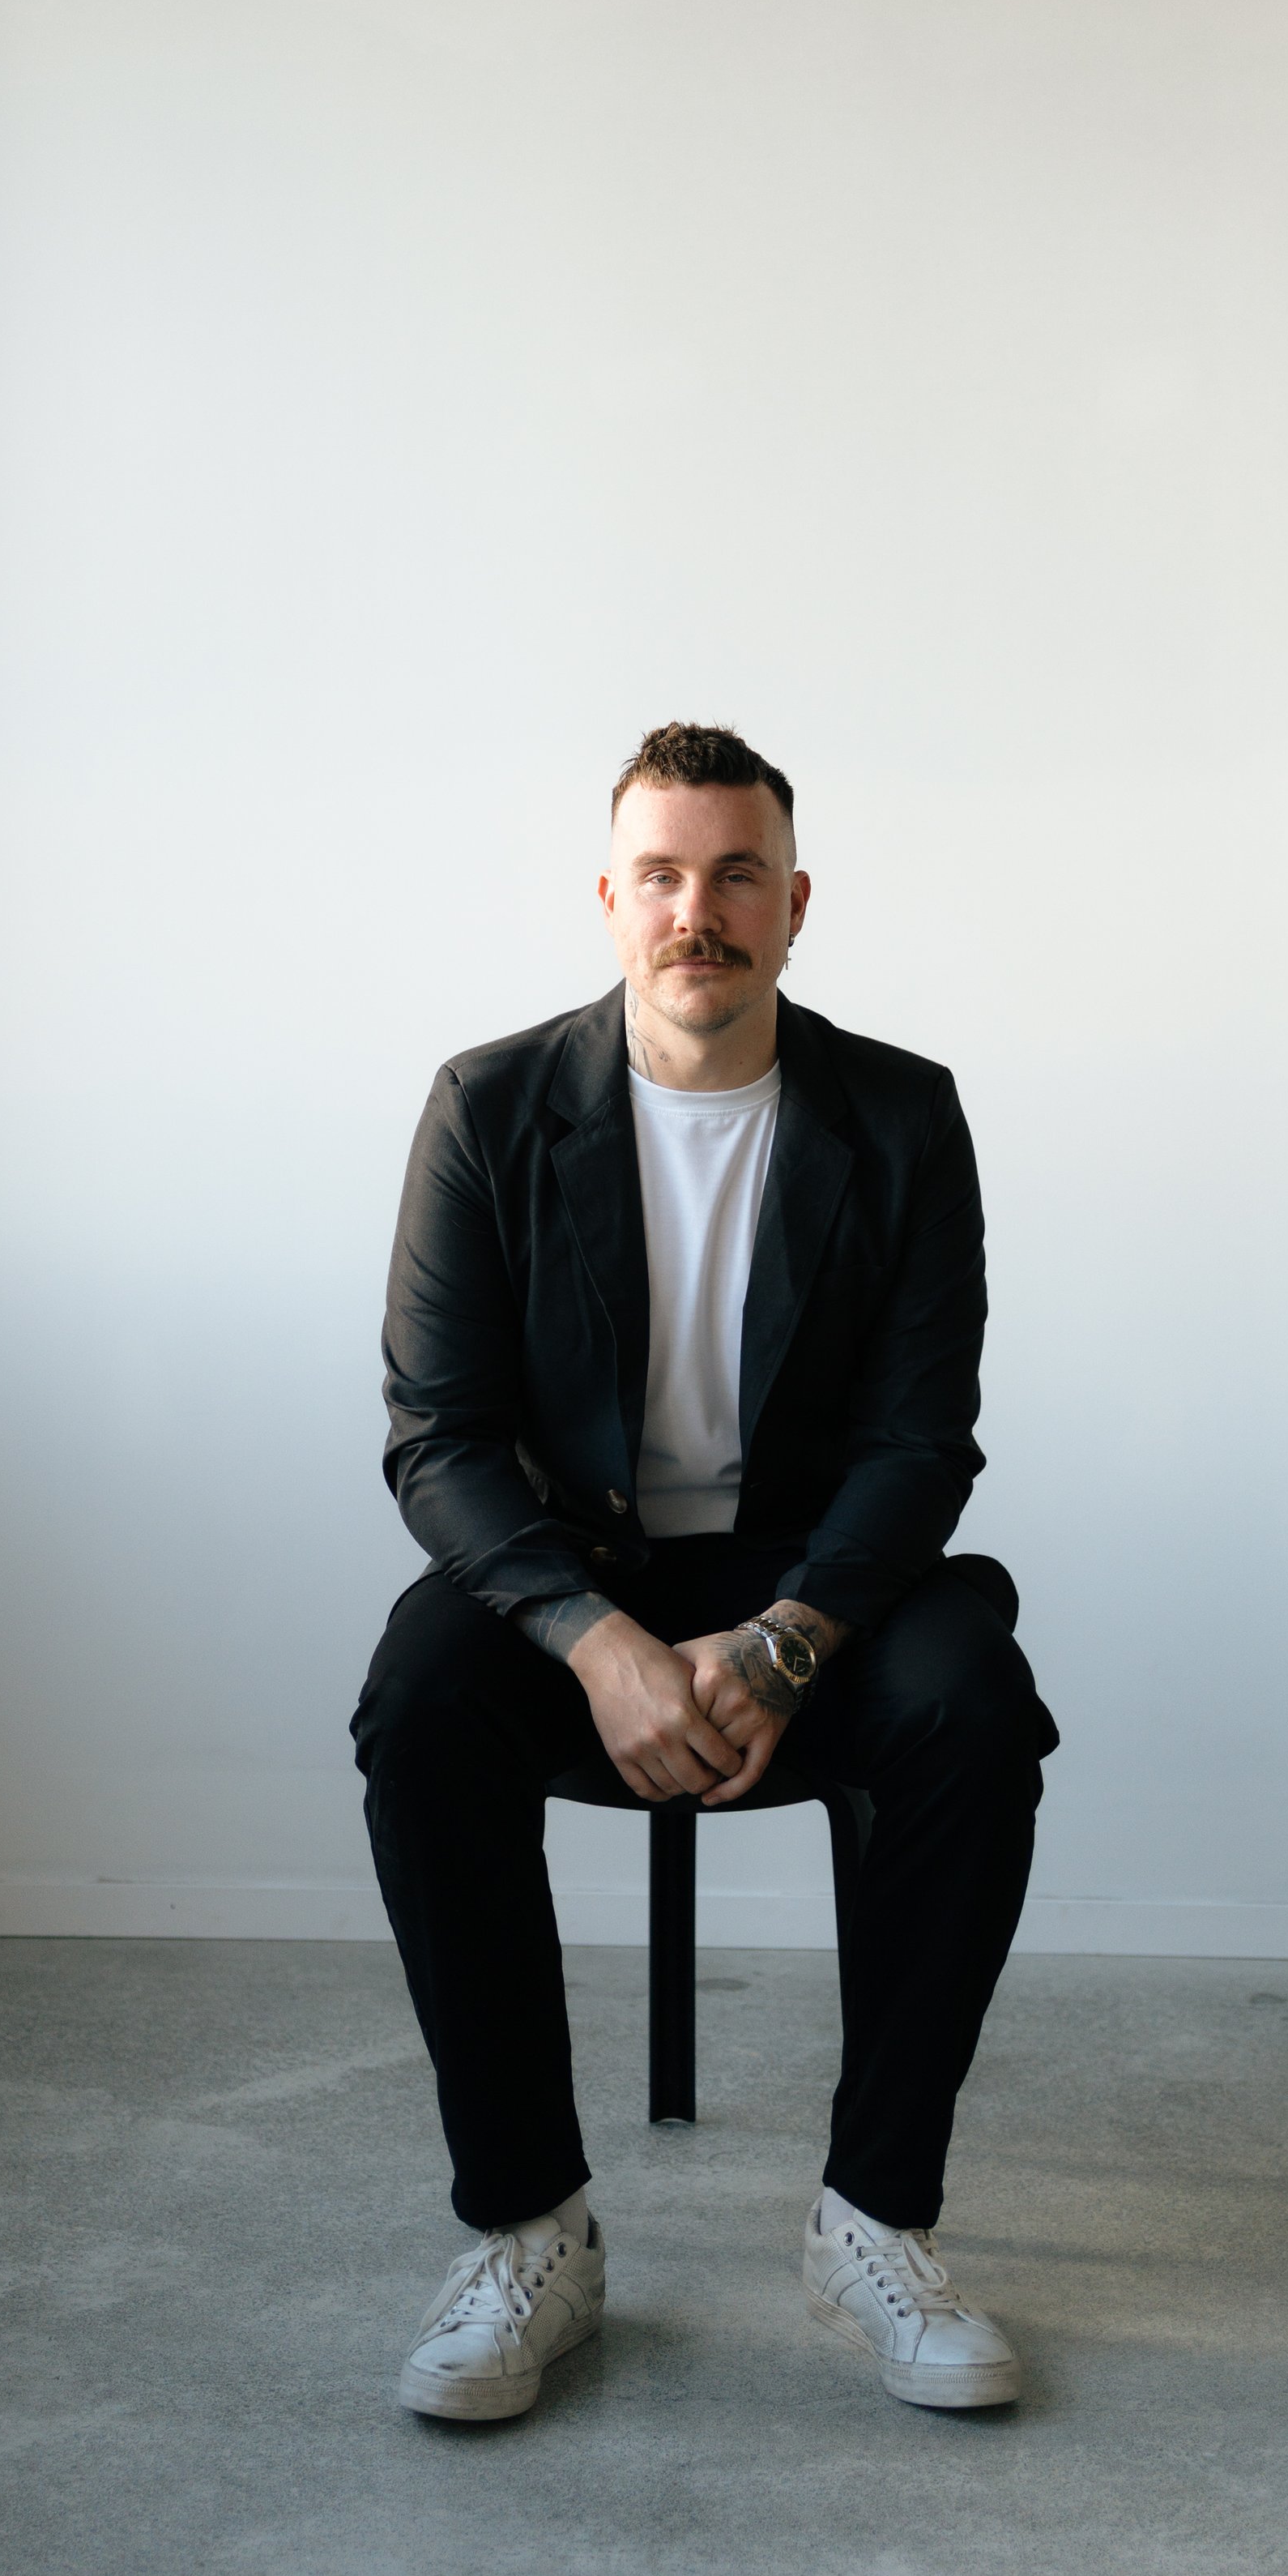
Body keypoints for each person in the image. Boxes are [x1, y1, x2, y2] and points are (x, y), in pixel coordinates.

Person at [352, 721, 1059, 2423]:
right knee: (417, 1705)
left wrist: (786, 1640)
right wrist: (597, 1644)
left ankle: (872, 2220)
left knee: (975, 1708)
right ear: (607, 901)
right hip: (571, 1578)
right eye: (661, 875)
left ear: (793, 902)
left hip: (817, 1577)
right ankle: (528, 2230)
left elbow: (918, 1443)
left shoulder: (897, 1116)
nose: (699, 910)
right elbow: (436, 1433)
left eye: (737, 873)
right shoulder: (491, 1106)